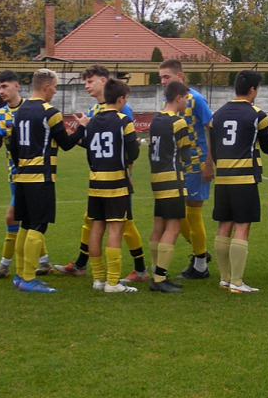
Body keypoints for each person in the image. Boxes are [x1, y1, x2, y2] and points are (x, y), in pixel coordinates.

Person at [53, 64, 148, 281]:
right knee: (94, 221)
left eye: (90, 81)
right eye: (85, 82)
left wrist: (129, 174)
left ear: (104, 82)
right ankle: (82, 264)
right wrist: (78, 136)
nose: (86, 85)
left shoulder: (122, 110)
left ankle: (139, 268)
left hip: (116, 179)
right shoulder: (94, 111)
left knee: (123, 224)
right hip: (102, 178)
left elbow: (125, 148)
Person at [11, 68, 87, 293]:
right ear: (45, 86)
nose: (54, 91)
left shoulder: (20, 110)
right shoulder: (50, 112)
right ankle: (27, 278)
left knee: (25, 224)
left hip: (21, 175)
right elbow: (65, 143)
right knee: (38, 224)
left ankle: (19, 274)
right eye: (54, 87)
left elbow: (13, 145)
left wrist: (21, 166)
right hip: (40, 176)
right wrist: (82, 127)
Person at [0, 70, 53, 280]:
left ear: (16, 86)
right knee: (27, 218)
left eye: (4, 86)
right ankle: (44, 261)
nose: (1, 91)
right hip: (14, 174)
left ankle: (4, 266)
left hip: (34, 173)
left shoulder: (31, 108)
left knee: (12, 216)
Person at [211, 71, 268, 294]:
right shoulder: (257, 114)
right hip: (244, 178)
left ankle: (224, 278)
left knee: (223, 226)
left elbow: (213, 149)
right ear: (252, 90)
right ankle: (237, 283)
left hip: (222, 179)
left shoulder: (217, 115)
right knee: (242, 226)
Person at [81, 79, 140, 294]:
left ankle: (98, 279)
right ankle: (113, 283)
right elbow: (133, 152)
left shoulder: (93, 121)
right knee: (115, 229)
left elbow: (88, 149)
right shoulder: (124, 121)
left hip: (95, 181)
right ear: (121, 98)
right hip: (116, 182)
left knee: (96, 228)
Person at [157, 59, 214, 280]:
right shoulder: (168, 99)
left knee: (192, 211)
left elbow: (212, 130)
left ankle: (200, 265)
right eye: (161, 77)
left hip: (196, 163)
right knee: (174, 214)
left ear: (180, 76)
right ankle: (201, 252)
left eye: (166, 77)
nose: (162, 81)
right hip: (176, 164)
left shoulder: (196, 99)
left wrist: (209, 163)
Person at [147, 80, 191, 293]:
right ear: (178, 98)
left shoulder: (156, 120)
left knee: (159, 226)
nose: (187, 102)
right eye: (186, 98)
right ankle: (159, 278)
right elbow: (186, 155)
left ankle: (156, 272)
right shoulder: (179, 123)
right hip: (172, 179)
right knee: (173, 227)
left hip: (157, 178)